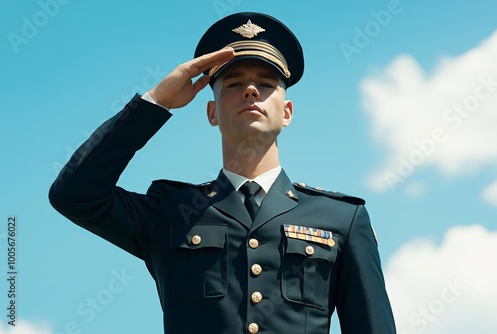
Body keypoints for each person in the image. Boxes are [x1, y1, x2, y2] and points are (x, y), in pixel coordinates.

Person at [49, 12, 396, 334]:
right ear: (211, 113)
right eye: (233, 84)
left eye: (266, 83)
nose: (250, 90)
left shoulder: (342, 218)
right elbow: (75, 195)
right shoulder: (169, 211)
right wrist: (156, 102)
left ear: (287, 111)